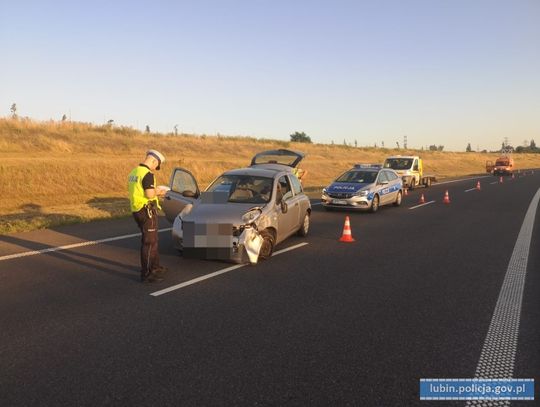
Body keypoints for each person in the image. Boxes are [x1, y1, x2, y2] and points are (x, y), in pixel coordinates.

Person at [128, 150, 167, 283]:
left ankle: (155, 267)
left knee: (153, 239)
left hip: (137, 209)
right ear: (154, 161)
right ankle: (146, 273)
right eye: (157, 165)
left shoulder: (134, 172)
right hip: (146, 211)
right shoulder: (147, 174)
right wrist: (160, 192)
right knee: (149, 242)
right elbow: (150, 194)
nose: (156, 168)